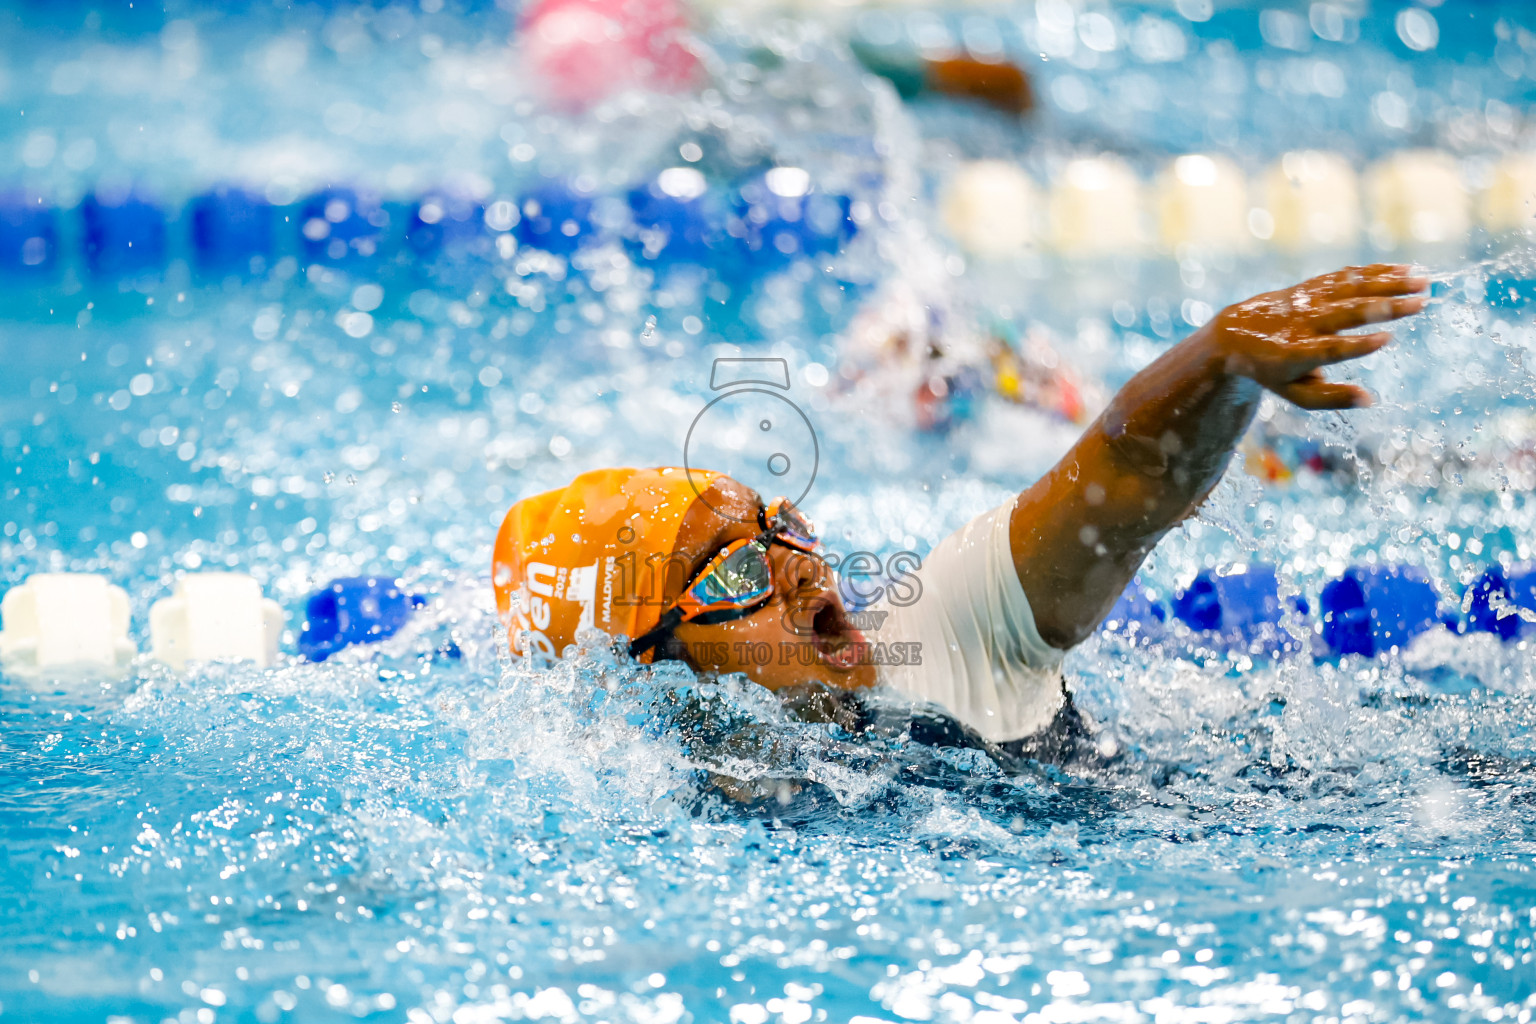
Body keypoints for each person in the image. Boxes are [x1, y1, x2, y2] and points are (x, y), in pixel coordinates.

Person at [493, 265, 1429, 756]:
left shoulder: (939, 629)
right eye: (737, 569)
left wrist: (1220, 357)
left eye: (782, 525)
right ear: (653, 671)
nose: (799, 564)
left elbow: (1130, 479)